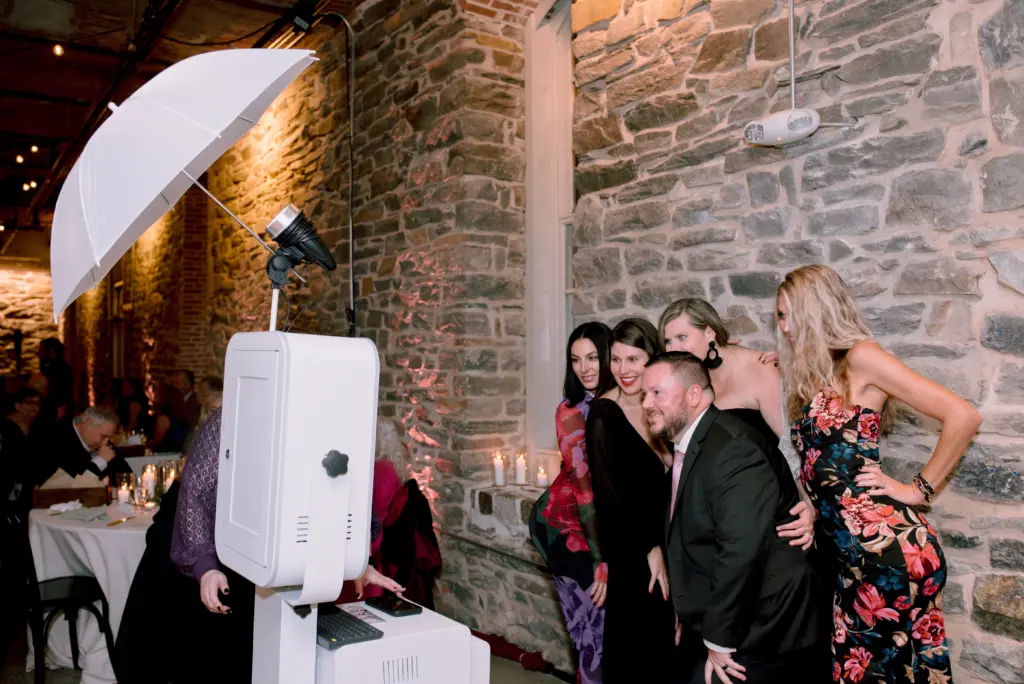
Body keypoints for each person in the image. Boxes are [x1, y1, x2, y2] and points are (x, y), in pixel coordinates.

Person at [777, 265, 982, 682]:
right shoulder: (819, 372)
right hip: (852, 558)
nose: (782, 328)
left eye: (786, 315)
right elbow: (824, 462)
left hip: (888, 554)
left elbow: (962, 415)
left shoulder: (862, 357)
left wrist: (917, 489)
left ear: (814, 311)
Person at [171, 408, 403, 682]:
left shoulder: (326, 417)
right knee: (233, 662)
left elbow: (339, 494)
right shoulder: (234, 414)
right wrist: (205, 565)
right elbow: (195, 490)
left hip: (301, 572)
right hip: (235, 569)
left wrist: (356, 561)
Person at [642, 352, 822, 684]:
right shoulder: (692, 446)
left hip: (766, 623)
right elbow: (692, 537)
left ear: (693, 396)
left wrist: (718, 639)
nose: (646, 404)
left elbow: (741, 549)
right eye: (644, 394)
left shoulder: (733, 449)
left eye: (657, 393)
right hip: (732, 614)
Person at [586, 318, 675, 681]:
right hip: (633, 550)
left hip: (673, 541)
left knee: (673, 651)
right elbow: (610, 501)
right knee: (639, 652)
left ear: (652, 358)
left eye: (634, 359)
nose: (623, 370)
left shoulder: (665, 403)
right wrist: (650, 548)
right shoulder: (604, 414)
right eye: (617, 359)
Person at [529, 322, 617, 684]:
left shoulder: (620, 401)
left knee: (604, 638)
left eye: (593, 357)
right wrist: (600, 559)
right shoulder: (571, 411)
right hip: (569, 530)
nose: (585, 368)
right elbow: (583, 487)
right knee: (592, 638)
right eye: (576, 359)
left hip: (594, 525)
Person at [35, 405, 131, 484]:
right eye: (103, 436)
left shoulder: (99, 441)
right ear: (88, 423)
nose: (105, 442)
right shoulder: (57, 439)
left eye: (108, 438)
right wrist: (100, 461)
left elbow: (126, 476)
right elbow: (75, 484)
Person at [0, 388, 42, 514]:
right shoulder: (5, 428)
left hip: (27, 489)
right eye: (29, 402)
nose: (34, 407)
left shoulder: (35, 427)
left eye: (38, 403)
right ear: (17, 405)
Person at [38, 338, 75, 423]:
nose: (39, 353)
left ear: (51, 351)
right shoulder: (63, 367)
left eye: (41, 350)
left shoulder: (54, 370)